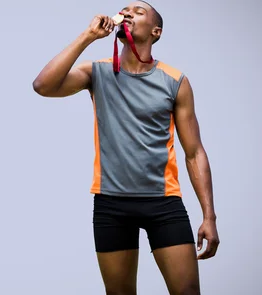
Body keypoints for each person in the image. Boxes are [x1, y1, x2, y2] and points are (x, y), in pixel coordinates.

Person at [32, 1, 220, 294]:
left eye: (139, 11)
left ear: (156, 31)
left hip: (163, 203)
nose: (129, 12)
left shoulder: (175, 81)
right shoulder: (97, 73)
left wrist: (209, 216)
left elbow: (194, 152)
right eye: (126, 9)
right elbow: (43, 85)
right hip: (111, 203)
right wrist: (88, 36)